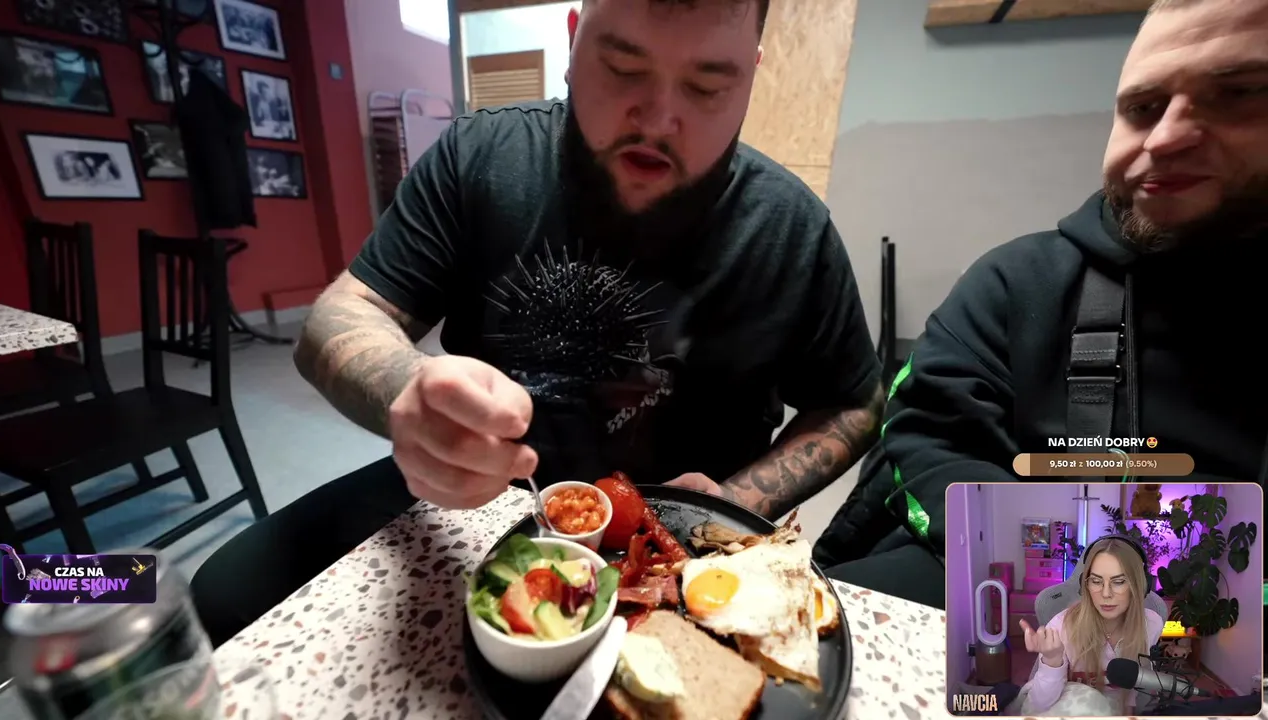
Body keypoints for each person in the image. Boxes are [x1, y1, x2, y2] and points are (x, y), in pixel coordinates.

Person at [190, 0, 884, 647]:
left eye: (707, 86)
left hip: (679, 541)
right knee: (221, 595)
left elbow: (854, 401)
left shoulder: (792, 229)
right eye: (623, 67)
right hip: (472, 505)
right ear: (573, 39)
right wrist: (408, 392)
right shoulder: (479, 158)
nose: (657, 119)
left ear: (752, 73)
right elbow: (340, 317)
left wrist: (736, 502)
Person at [814, 0, 1268, 608]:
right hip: (1008, 591)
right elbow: (926, 440)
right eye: (1142, 107)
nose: (1164, 138)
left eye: (1238, 93)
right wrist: (1066, 573)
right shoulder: (1019, 282)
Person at [1012, 539, 1163, 715]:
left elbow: (1130, 690)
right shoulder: (1061, 626)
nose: (1106, 593)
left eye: (1119, 581)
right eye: (1096, 581)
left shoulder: (1151, 624)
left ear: (1139, 585)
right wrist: (1052, 660)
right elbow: (1039, 705)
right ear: (1086, 585)